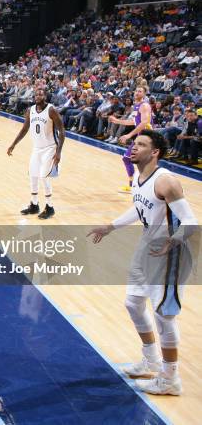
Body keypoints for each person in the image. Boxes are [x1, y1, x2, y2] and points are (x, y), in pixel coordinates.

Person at [88, 130, 197, 395]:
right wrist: (110, 226)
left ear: (155, 152)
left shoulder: (166, 182)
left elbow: (191, 222)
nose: (133, 147)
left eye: (141, 144)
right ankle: (150, 360)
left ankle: (170, 379)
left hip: (171, 253)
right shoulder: (139, 178)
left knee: (163, 316)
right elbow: (139, 209)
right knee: (133, 302)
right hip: (148, 246)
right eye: (134, 143)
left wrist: (174, 241)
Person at [7, 88, 65, 219]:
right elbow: (25, 129)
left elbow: (62, 131)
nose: (38, 95)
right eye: (36, 94)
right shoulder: (30, 110)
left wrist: (59, 152)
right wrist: (13, 144)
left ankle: (50, 207)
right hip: (37, 148)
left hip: (50, 148)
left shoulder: (51, 110)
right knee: (33, 175)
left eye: (41, 93)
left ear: (45, 96)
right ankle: (34, 205)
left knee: (44, 176)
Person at [109, 86, 152, 193]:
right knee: (133, 160)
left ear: (144, 94)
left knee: (131, 159)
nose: (137, 92)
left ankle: (136, 185)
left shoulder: (144, 106)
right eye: (136, 91)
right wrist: (117, 121)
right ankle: (137, 185)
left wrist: (129, 135)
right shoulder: (136, 106)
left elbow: (144, 123)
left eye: (140, 91)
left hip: (146, 136)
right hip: (141, 136)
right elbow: (134, 121)